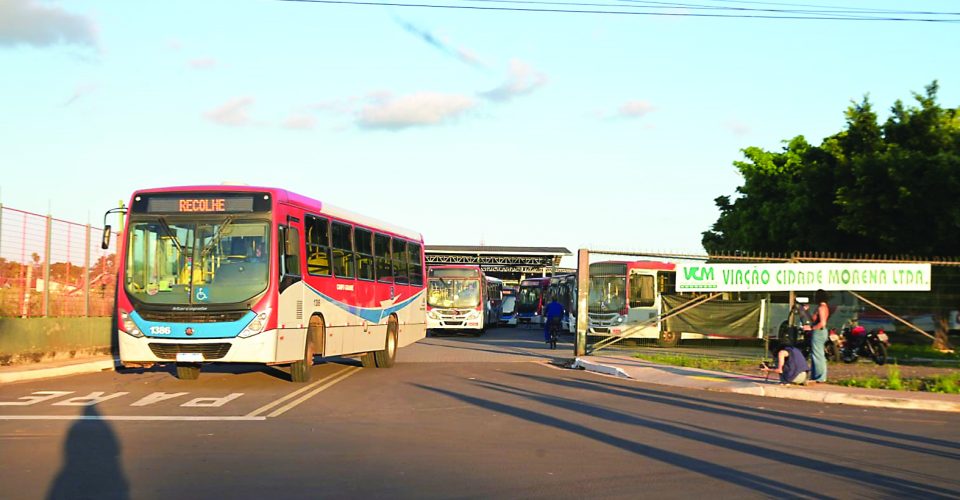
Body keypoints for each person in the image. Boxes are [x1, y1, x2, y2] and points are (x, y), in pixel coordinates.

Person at [804, 289, 831, 383]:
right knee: (816, 354)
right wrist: (807, 312)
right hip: (819, 332)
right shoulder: (821, 307)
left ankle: (820, 377)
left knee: (818, 355)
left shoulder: (821, 308)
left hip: (819, 332)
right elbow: (813, 319)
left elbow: (822, 323)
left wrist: (811, 328)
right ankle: (815, 375)